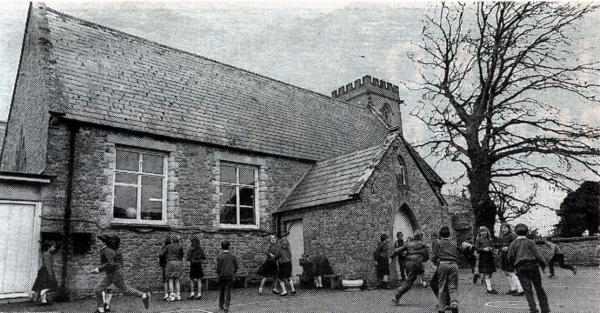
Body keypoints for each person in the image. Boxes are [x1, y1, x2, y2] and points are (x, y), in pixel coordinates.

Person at [92, 235, 150, 313]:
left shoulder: (107, 250)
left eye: (100, 241)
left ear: (104, 242)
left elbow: (111, 263)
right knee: (99, 289)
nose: (98, 243)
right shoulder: (113, 250)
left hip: (114, 273)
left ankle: (143, 295)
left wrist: (99, 269)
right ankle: (101, 309)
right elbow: (116, 262)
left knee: (124, 289)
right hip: (114, 273)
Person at [508, 224, 550, 313]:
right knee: (539, 288)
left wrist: (513, 267)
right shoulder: (531, 242)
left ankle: (533, 309)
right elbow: (538, 255)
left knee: (528, 290)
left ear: (516, 232)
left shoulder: (513, 243)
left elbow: (510, 257)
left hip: (521, 267)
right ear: (527, 232)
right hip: (533, 266)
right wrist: (543, 265)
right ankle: (545, 309)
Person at [392, 230, 429, 305]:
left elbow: (397, 250)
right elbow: (426, 257)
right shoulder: (423, 244)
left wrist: (392, 256)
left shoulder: (408, 244)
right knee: (409, 282)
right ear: (420, 237)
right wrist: (421, 257)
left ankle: (424, 280)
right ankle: (396, 296)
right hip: (417, 263)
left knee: (412, 278)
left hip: (408, 264)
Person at [432, 226, 459, 313]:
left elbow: (435, 255)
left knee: (442, 287)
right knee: (452, 286)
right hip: (454, 264)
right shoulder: (454, 242)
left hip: (443, 264)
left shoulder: (438, 242)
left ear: (440, 234)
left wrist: (434, 261)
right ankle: (454, 304)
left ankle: (441, 308)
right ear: (449, 234)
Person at [499, 223, 524, 296]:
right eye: (502, 228)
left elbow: (517, 245)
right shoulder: (503, 236)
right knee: (507, 272)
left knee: (512, 272)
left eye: (505, 228)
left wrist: (508, 248)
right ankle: (513, 288)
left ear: (509, 228)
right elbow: (502, 246)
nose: (503, 229)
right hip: (504, 256)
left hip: (511, 256)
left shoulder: (513, 235)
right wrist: (501, 249)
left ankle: (520, 289)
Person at [217, 240, 238, 313]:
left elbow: (218, 268)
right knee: (228, 291)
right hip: (230, 276)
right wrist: (233, 273)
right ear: (229, 247)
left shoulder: (220, 256)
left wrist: (219, 274)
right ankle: (226, 306)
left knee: (222, 291)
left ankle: (220, 305)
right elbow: (236, 267)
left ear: (221, 247)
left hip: (222, 276)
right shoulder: (232, 256)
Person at [161, 233, 184, 301]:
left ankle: (172, 295)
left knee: (170, 279)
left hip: (170, 262)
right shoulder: (180, 246)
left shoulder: (168, 246)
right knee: (177, 279)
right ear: (178, 240)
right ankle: (178, 295)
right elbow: (182, 255)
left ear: (172, 240)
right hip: (178, 263)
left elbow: (161, 254)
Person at [475, 226, 497, 294]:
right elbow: (476, 248)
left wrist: (491, 249)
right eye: (482, 231)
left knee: (490, 273)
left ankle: (489, 287)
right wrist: (483, 249)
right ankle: (489, 289)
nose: (483, 232)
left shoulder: (490, 239)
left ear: (487, 232)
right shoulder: (478, 240)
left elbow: (493, 247)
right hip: (483, 257)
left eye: (484, 231)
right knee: (486, 273)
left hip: (490, 257)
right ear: (480, 233)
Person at [159, 235, 170, 301]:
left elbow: (160, 255)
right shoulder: (172, 247)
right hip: (170, 264)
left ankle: (166, 294)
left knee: (165, 280)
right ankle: (172, 293)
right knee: (172, 279)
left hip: (165, 265)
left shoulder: (164, 248)